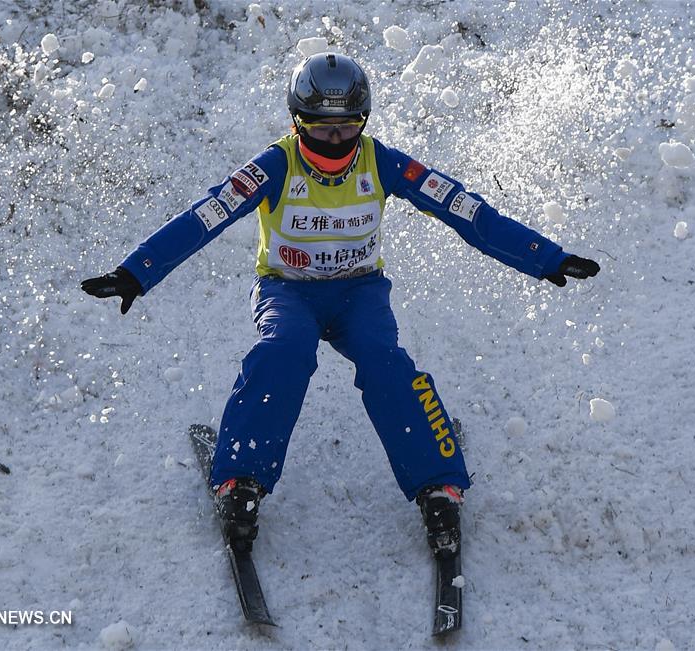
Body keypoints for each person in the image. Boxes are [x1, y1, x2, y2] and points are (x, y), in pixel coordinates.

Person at [82, 52, 599, 559]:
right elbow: (204, 217)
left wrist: (545, 258)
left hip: (359, 294)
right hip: (289, 291)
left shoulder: (383, 161)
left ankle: (439, 485)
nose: (335, 141)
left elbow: (465, 210)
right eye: (321, 128)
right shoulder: (275, 165)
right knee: (283, 350)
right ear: (296, 121)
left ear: (364, 122)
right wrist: (136, 272)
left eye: (347, 128)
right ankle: (241, 479)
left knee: (384, 360)